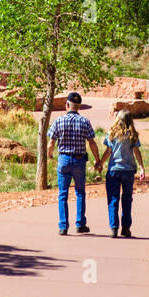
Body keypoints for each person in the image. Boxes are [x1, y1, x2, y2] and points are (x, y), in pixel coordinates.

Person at [47, 91, 102, 235]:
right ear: (79, 107)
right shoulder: (84, 122)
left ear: (67, 105)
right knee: (80, 192)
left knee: (63, 194)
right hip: (79, 160)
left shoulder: (59, 121)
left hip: (64, 159)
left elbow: (51, 142)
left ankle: (63, 226)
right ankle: (80, 223)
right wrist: (97, 160)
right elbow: (92, 143)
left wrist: (50, 154)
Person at [99, 110, 145, 238]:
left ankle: (114, 228)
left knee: (113, 199)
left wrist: (101, 163)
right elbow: (137, 152)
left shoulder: (112, 133)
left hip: (114, 170)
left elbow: (108, 151)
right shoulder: (133, 135)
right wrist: (142, 167)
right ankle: (125, 227)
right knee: (127, 199)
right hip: (128, 170)